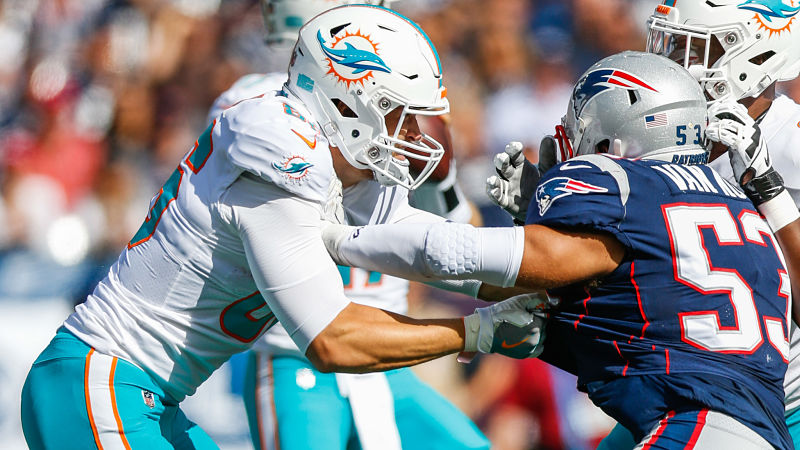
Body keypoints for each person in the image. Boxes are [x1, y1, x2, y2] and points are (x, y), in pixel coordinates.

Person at [19, 6, 545, 449]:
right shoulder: (278, 138)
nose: (412, 134)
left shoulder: (346, 157)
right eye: (398, 114)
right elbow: (332, 340)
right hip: (103, 381)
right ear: (345, 100)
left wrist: (549, 268)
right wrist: (478, 331)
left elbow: (428, 248)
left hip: (147, 394)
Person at [321, 51, 793, 448]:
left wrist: (337, 240)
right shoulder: (735, 204)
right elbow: (623, 299)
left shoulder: (625, 187)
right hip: (745, 426)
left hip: (696, 423)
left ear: (619, 129)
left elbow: (476, 256)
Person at [206, 2, 488, 449]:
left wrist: (445, 185)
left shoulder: (397, 98)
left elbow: (459, 231)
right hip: (296, 356)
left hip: (385, 352)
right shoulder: (261, 110)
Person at [597, 0, 800, 447]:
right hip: (683, 387)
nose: (670, 63)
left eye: (691, 49)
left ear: (754, 59)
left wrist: (770, 190)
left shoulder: (792, 143)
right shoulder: (674, 131)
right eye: (666, 44)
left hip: (777, 405)